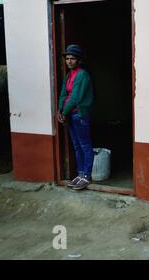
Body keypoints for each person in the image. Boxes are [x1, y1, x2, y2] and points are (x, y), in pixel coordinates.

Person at [57, 44, 94, 190]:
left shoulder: (82, 74)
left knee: (85, 144)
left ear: (78, 60)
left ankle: (86, 176)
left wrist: (64, 113)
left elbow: (75, 97)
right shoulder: (68, 75)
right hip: (69, 113)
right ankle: (80, 173)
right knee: (76, 146)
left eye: (73, 58)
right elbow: (63, 94)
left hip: (79, 114)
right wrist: (60, 111)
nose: (69, 61)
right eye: (67, 58)